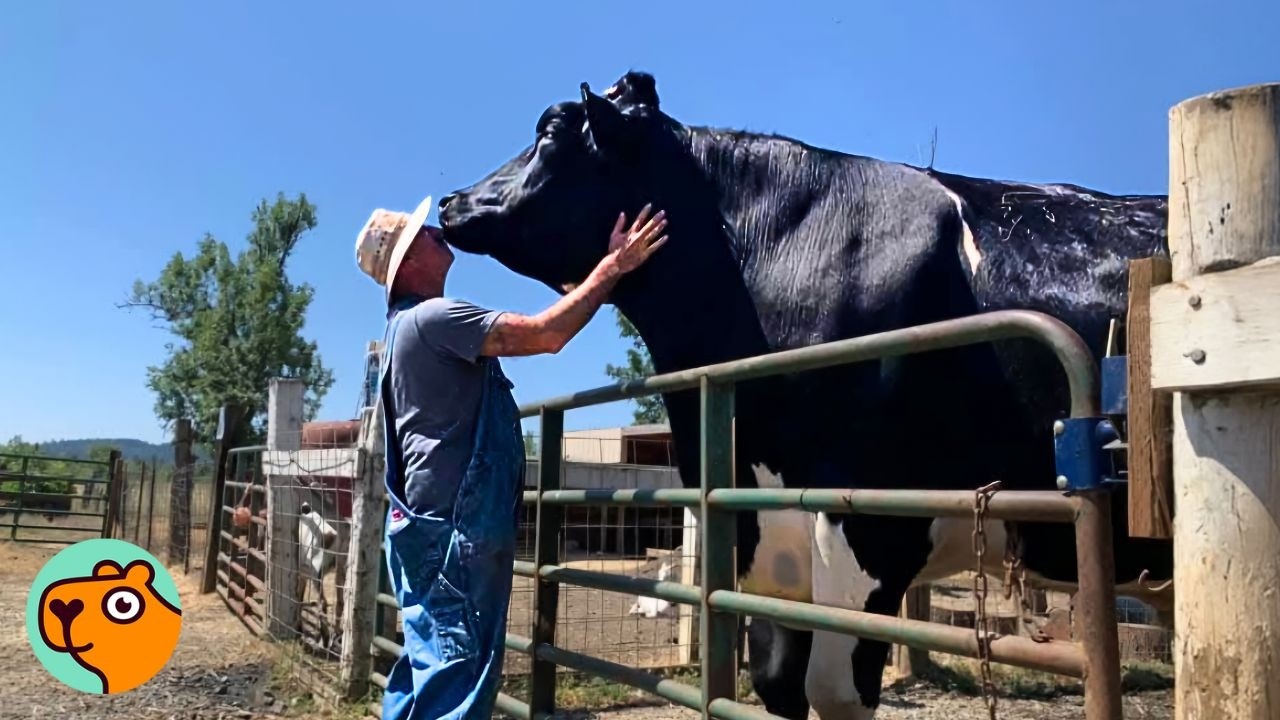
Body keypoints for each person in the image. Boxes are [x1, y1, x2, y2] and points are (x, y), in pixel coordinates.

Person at [354, 195, 668, 720]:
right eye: (421, 235)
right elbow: (547, 335)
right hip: (457, 529)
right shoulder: (435, 318)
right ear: (407, 264)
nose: (436, 232)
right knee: (459, 680)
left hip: (425, 527)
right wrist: (615, 265)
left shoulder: (400, 332)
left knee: (429, 665)